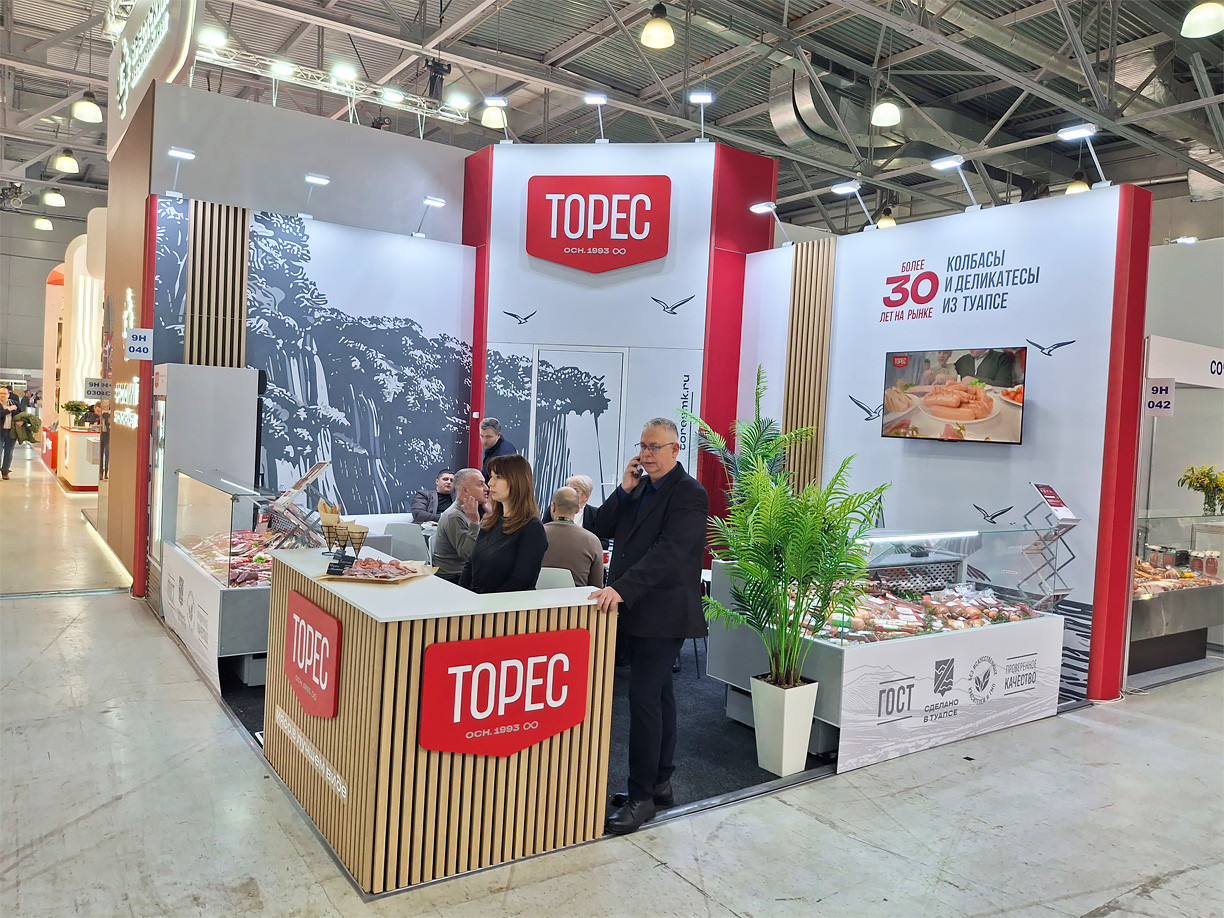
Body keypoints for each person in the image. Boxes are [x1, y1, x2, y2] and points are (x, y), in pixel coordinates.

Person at [591, 418, 708, 835]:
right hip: (635, 609)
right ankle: (660, 782)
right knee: (658, 695)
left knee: (643, 699)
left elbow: (669, 552)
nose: (646, 453)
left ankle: (641, 798)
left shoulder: (689, 493)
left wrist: (622, 588)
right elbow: (600, 528)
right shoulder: (639, 487)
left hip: (664, 611)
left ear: (675, 449)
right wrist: (623, 490)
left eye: (655, 447)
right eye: (643, 445)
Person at [460, 454, 547, 594]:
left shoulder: (532, 528)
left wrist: (485, 602)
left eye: (498, 477)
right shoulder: (489, 521)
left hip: (506, 604)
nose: (490, 483)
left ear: (517, 481)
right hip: (477, 600)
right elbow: (470, 564)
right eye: (491, 476)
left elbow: (520, 582)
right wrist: (463, 594)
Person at [433, 468, 491, 583]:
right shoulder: (454, 515)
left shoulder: (469, 511)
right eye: (480, 484)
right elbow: (468, 555)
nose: (486, 488)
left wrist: (491, 515)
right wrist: (474, 523)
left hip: (466, 573)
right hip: (453, 579)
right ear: (465, 490)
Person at [542, 487, 605, 588]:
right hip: (577, 597)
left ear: (553, 507)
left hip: (538, 596)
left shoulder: (536, 535)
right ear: (578, 509)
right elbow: (596, 586)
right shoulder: (592, 541)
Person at [542, 474, 608, 548]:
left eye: (575, 491)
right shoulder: (554, 509)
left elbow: (604, 543)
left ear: (586, 496)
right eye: (568, 490)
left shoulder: (596, 514)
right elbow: (542, 534)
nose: (570, 494)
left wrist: (583, 544)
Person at [0, 387, 19, 480]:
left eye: (4, 393)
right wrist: (8, 410)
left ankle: (5, 471)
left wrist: (21, 421)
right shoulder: (9, 406)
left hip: (11, 432)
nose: (2, 395)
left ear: (8, 395)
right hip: (0, 432)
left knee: (9, 452)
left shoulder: (14, 403)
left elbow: (22, 414)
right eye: (0, 393)